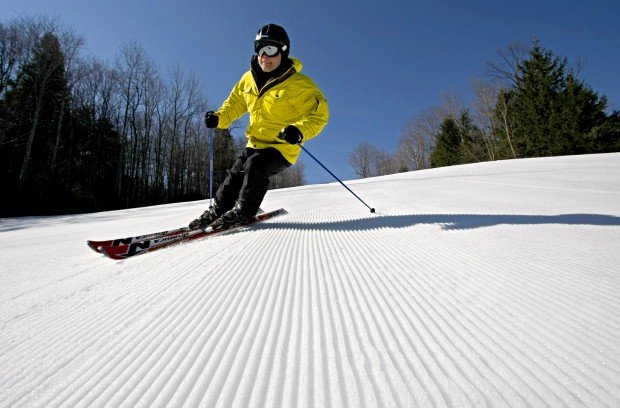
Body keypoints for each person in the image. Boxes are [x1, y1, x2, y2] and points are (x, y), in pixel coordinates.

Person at [189, 23, 329, 229]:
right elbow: (234, 104)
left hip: (281, 147)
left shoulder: (300, 85)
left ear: (284, 51)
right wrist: (219, 118)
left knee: (256, 166)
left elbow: (319, 115)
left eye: (270, 50)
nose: (265, 56)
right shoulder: (248, 79)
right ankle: (218, 210)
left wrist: (299, 130)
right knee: (235, 174)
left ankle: (244, 211)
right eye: (260, 50)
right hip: (254, 143)